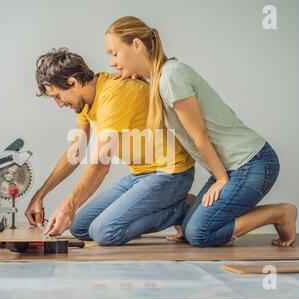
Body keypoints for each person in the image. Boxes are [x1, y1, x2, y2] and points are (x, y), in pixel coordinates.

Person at [103, 16, 297, 247]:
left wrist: (221, 178)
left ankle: (280, 213)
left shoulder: (171, 76)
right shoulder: (159, 78)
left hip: (251, 163)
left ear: (136, 45)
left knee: (199, 234)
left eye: (114, 53)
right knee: (188, 229)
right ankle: (208, 212)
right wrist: (138, 74)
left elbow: (199, 134)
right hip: (233, 167)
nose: (112, 62)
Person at [24, 48, 196, 246]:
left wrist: (68, 206)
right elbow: (76, 152)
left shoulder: (114, 95)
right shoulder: (86, 101)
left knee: (105, 232)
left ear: (73, 82)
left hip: (170, 174)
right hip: (139, 176)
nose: (59, 105)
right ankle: (139, 215)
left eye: (57, 96)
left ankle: (183, 209)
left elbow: (100, 165)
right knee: (79, 227)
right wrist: (40, 195)